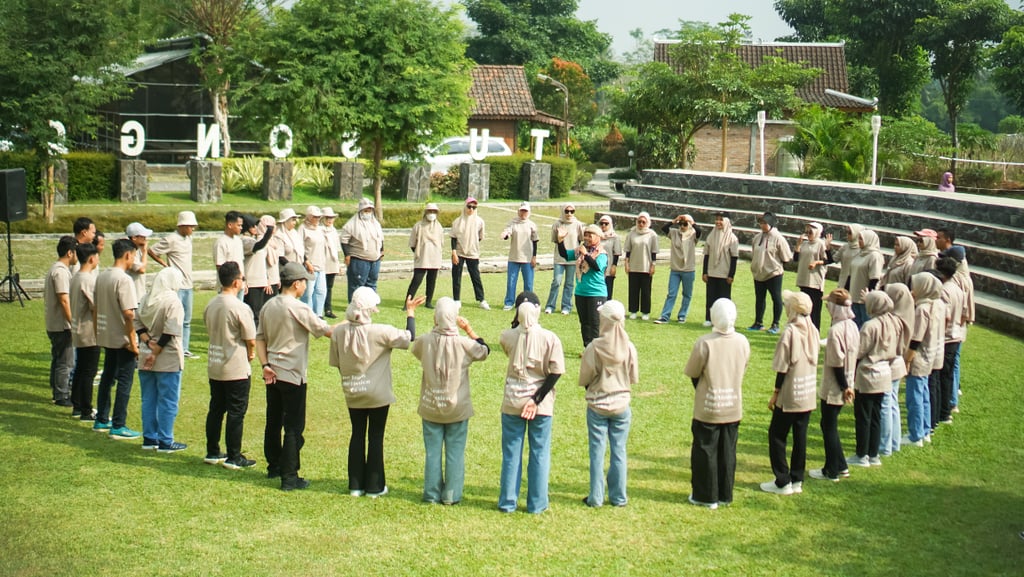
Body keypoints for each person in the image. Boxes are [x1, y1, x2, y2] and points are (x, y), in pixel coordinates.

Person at [330, 288, 422, 498]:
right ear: (370, 310)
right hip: (378, 393)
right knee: (376, 436)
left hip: (353, 390)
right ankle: (375, 486)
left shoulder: (339, 332)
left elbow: (336, 363)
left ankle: (355, 484)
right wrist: (410, 313)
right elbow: (410, 337)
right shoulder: (381, 331)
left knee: (357, 434)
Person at [257, 261, 335, 491]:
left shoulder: (268, 306)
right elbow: (325, 330)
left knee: (273, 421)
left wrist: (264, 364)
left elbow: (259, 338)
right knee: (293, 426)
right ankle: (289, 476)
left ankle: (274, 466)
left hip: (272, 371)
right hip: (293, 373)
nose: (305, 288)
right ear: (297, 284)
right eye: (304, 284)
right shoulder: (297, 307)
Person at [411, 297, 489, 505]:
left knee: (432, 453)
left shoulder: (425, 341)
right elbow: (484, 351)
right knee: (455, 453)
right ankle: (451, 495)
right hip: (457, 406)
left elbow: (415, 348)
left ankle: (431, 493)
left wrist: (433, 327)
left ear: (436, 317)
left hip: (431, 405)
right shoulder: (464, 344)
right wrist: (469, 329)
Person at [498, 292, 565, 514]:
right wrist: (536, 399)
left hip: (513, 399)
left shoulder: (506, 336)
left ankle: (508, 501)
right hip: (541, 402)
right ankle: (537, 503)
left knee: (511, 452)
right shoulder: (550, 338)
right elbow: (556, 372)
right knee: (539, 452)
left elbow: (514, 341)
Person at [683, 298, 749, 508]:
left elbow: (694, 373)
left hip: (709, 406)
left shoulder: (705, 342)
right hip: (733, 404)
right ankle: (724, 493)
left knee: (705, 450)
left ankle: (705, 495)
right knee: (728, 451)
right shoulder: (742, 341)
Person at [579, 300, 638, 508]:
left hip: (598, 404)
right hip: (621, 404)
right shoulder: (629, 347)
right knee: (619, 450)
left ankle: (595, 497)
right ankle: (619, 496)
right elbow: (633, 376)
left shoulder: (594, 347)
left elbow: (585, 377)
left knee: (597, 451)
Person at [761, 291, 818, 495]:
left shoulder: (791, 332)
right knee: (800, 435)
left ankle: (782, 480)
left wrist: (775, 393)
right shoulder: (813, 329)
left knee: (777, 434)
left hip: (791, 391)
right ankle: (797, 478)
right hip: (808, 391)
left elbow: (782, 367)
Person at [203, 261, 258, 470]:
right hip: (235, 366)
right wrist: (251, 353)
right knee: (236, 411)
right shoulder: (240, 307)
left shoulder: (211, 303)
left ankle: (212, 450)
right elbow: (250, 338)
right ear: (236, 282)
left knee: (216, 409)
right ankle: (234, 455)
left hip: (215, 363)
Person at [848, 290, 903, 468]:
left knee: (863, 416)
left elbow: (860, 351)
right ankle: (873, 454)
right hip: (886, 371)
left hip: (868, 372)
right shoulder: (895, 322)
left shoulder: (870, 325)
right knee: (876, 415)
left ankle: (861, 454)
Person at [135, 267, 187, 453]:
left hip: (145, 353)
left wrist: (149, 344)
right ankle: (165, 440)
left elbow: (137, 323)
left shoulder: (146, 298)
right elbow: (171, 329)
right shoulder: (173, 301)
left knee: (148, 398)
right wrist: (156, 352)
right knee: (168, 400)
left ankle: (150, 437)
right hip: (168, 357)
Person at [93, 238, 141, 440]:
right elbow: (129, 314)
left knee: (107, 376)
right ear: (128, 255)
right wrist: (133, 341)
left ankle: (102, 419)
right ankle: (119, 424)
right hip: (122, 338)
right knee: (124, 380)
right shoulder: (123, 279)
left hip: (106, 335)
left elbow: (95, 308)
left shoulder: (102, 276)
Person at [809, 289, 857, 481]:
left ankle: (832, 469)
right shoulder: (852, 326)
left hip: (835, 385)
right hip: (848, 380)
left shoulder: (835, 330)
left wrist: (845, 387)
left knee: (828, 425)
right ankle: (841, 465)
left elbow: (837, 362)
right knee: (829, 424)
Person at [902, 272, 945, 447]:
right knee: (924, 394)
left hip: (920, 357)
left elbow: (916, 339)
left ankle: (916, 435)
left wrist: (907, 360)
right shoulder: (939, 304)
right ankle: (925, 430)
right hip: (932, 355)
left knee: (915, 397)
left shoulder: (922, 309)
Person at [148, 210, 199, 358]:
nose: (193, 229)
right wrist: (165, 265)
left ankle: (184, 348)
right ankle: (173, 346)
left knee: (187, 319)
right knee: (174, 318)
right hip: (176, 286)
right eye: (190, 226)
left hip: (188, 284)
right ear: (182, 226)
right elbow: (152, 250)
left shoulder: (189, 239)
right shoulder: (171, 239)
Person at [557, 223, 608, 347]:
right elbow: (565, 254)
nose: (587, 238)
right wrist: (560, 241)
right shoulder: (580, 250)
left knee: (595, 323)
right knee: (584, 322)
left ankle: (597, 349)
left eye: (590, 235)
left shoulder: (602, 253)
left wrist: (586, 254)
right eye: (585, 235)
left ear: (598, 237)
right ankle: (587, 348)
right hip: (580, 292)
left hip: (596, 293)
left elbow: (596, 267)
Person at [879, 283, 913, 456]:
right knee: (892, 403)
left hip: (891, 364)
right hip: (898, 364)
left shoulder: (894, 320)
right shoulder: (906, 313)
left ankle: (884, 446)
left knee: (886, 403)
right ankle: (894, 442)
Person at [45, 235, 77, 407]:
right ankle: (62, 395)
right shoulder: (61, 272)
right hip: (61, 324)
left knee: (58, 359)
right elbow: (64, 299)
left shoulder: (56, 269)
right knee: (65, 361)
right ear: (70, 252)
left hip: (54, 323)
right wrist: (72, 323)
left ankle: (57, 389)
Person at [748, 212, 793, 334]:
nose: (762, 225)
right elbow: (754, 252)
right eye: (761, 223)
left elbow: (786, 257)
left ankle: (775, 324)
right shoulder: (757, 237)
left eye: (765, 223)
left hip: (774, 273)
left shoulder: (778, 238)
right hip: (759, 273)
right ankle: (758, 322)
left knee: (776, 298)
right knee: (760, 299)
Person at [69, 242, 100, 421]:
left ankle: (77, 405)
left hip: (78, 329)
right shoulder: (87, 279)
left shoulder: (76, 277)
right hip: (89, 331)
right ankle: (86, 410)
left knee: (81, 368)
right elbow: (95, 307)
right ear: (91, 258)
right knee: (89, 370)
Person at [935, 257, 965, 426]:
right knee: (947, 376)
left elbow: (944, 316)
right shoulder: (957, 288)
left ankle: (944, 412)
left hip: (946, 337)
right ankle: (945, 410)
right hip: (955, 334)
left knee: (942, 377)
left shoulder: (944, 290)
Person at [655, 214, 700, 324]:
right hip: (675, 269)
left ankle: (682, 315)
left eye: (685, 224)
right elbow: (664, 228)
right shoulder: (675, 233)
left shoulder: (693, 235)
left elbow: (699, 231)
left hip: (688, 270)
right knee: (671, 294)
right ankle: (665, 316)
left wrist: (692, 222)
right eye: (681, 224)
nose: (683, 226)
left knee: (687, 294)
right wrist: (674, 221)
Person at [340, 198, 384, 301]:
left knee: (372, 284)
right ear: (360, 210)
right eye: (366, 210)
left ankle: (370, 304)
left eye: (370, 210)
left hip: (375, 260)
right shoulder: (351, 224)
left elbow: (380, 238)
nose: (368, 212)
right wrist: (347, 255)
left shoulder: (375, 223)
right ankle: (355, 305)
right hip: (359, 259)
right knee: (357, 285)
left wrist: (382, 251)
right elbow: (344, 240)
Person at [450, 197, 489, 309]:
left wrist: (472, 243)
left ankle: (481, 299)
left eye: (474, 207)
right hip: (459, 252)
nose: (471, 209)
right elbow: (453, 237)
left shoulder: (479, 221)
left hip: (473, 252)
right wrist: (454, 252)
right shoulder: (458, 221)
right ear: (465, 206)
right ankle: (456, 299)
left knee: (475, 276)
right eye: (469, 206)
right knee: (456, 276)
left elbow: (480, 237)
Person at [546, 203, 584, 315]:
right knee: (556, 282)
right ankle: (550, 305)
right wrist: (560, 237)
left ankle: (566, 306)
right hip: (559, 257)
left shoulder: (577, 224)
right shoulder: (557, 224)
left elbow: (581, 239)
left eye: (572, 211)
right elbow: (554, 240)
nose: (569, 213)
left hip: (572, 258)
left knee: (569, 283)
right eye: (567, 211)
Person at [702, 213, 739, 327]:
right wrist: (704, 272)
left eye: (721, 220)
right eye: (716, 219)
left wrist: (731, 275)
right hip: (712, 272)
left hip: (724, 273)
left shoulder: (732, 238)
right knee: (710, 297)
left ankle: (725, 320)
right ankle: (709, 319)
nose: (718, 222)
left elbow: (734, 258)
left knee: (724, 300)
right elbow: (706, 255)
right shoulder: (711, 235)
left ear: (726, 222)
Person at [500, 202, 539, 311]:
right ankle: (509, 302)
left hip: (527, 257)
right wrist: (505, 235)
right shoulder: (513, 223)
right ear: (518, 211)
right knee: (511, 281)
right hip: (514, 256)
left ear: (529, 212)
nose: (523, 213)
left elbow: (535, 241)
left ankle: (529, 302)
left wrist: (534, 257)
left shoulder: (532, 225)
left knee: (528, 282)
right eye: (522, 211)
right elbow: (508, 232)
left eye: (525, 211)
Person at [407, 203, 444, 309]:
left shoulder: (439, 227)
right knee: (416, 281)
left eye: (434, 212)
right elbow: (412, 243)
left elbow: (441, 242)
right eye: (430, 211)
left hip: (435, 258)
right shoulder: (418, 226)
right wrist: (419, 252)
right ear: (425, 212)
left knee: (432, 281)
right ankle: (408, 302)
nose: (432, 214)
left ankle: (428, 302)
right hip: (422, 258)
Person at [794, 222, 830, 331]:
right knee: (804, 307)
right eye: (807, 232)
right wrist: (798, 245)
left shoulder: (821, 244)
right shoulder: (805, 244)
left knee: (815, 309)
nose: (808, 234)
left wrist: (816, 263)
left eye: (811, 232)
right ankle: (804, 329)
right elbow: (796, 259)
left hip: (815, 281)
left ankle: (814, 331)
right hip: (804, 279)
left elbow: (827, 260)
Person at [623, 211, 659, 320]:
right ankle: (633, 310)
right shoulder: (632, 233)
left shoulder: (652, 234)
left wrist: (653, 265)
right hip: (634, 265)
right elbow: (628, 250)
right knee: (633, 290)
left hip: (646, 266)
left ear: (648, 222)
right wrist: (626, 263)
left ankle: (645, 312)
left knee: (646, 291)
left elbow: (654, 252)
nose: (641, 224)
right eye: (639, 221)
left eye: (644, 222)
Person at [242, 215, 277, 325]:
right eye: (253, 226)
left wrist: (267, 279)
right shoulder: (245, 241)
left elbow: (263, 263)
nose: (255, 228)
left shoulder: (253, 240)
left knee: (261, 313)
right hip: (252, 282)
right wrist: (269, 231)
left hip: (261, 281)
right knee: (254, 315)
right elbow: (259, 246)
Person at [848, 229, 885, 327]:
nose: (859, 241)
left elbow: (874, 278)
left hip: (864, 297)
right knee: (854, 324)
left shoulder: (874, 256)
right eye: (859, 238)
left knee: (865, 324)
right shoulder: (859, 253)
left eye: (861, 239)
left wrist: (868, 296)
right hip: (854, 295)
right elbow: (850, 274)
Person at [299, 206, 328, 316]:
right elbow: (299, 247)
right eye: (315, 217)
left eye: (319, 217)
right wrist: (306, 262)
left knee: (321, 291)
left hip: (321, 265)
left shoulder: (320, 229)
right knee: (308, 292)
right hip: (309, 266)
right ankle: (307, 314)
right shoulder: (302, 228)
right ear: (309, 216)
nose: (317, 219)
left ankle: (318, 314)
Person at [125, 221, 153, 307]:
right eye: (143, 236)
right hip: (133, 295)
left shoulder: (138, 250)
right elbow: (141, 269)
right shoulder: (130, 251)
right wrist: (145, 252)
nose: (145, 238)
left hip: (139, 294)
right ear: (134, 238)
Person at [214, 211, 245, 283]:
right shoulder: (221, 242)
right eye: (239, 225)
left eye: (241, 225)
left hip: (240, 284)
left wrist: (243, 282)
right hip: (228, 286)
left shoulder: (238, 240)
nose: (241, 228)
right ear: (230, 225)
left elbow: (240, 262)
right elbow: (220, 266)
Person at [831, 224, 863, 291]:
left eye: (850, 233)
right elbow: (832, 259)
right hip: (843, 280)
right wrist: (827, 249)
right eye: (847, 232)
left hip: (856, 283)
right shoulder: (845, 247)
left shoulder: (862, 250)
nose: (847, 234)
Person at [322, 207, 341, 318]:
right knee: (320, 288)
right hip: (322, 262)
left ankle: (328, 309)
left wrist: (338, 264)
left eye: (331, 218)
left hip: (332, 262)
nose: (330, 220)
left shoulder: (333, 231)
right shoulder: (320, 230)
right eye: (328, 218)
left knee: (329, 286)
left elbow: (337, 248)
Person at [598, 215, 621, 299]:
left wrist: (614, 266)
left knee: (608, 288)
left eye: (606, 223)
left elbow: (617, 253)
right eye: (601, 223)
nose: (603, 225)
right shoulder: (596, 235)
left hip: (609, 265)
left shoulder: (615, 237)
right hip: (597, 266)